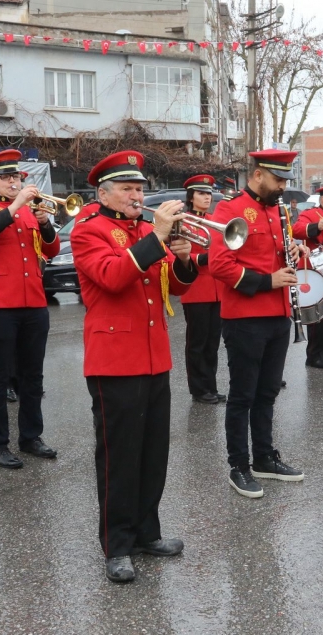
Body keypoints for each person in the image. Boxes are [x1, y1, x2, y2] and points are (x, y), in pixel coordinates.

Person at [71, 150, 196, 583]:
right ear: (103, 193)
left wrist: (182, 257)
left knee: (152, 453)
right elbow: (111, 276)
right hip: (114, 358)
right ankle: (116, 545)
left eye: (140, 188)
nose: (136, 195)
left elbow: (174, 287)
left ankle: (146, 532)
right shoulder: (89, 231)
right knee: (119, 457)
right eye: (127, 188)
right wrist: (157, 238)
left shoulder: (146, 231)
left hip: (153, 354)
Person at [210, 149, 306, 499]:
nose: (282, 187)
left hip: (278, 317)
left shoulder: (277, 211)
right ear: (258, 175)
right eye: (278, 179)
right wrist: (268, 281)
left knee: (267, 393)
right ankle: (239, 465)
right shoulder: (229, 210)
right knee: (243, 396)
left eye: (285, 180)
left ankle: (264, 456)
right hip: (246, 318)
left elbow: (277, 255)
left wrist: (294, 249)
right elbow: (220, 265)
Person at [0, 150, 60, 467]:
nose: (13, 182)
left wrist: (45, 223)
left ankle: (31, 436)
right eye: (6, 177)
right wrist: (17, 206)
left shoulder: (33, 211)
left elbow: (52, 248)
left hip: (34, 301)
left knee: (33, 376)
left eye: (17, 177)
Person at [179, 174, 226, 404]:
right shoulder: (183, 220)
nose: (207, 198)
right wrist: (202, 259)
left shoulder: (213, 220)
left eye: (208, 194)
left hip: (216, 288)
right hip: (196, 288)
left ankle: (211, 386)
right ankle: (198, 389)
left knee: (212, 342)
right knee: (197, 342)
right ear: (191, 197)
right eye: (201, 193)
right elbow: (179, 252)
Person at [292, 183, 323, 369]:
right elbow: (296, 230)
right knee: (318, 316)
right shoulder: (311, 214)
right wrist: (315, 226)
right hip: (315, 271)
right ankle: (314, 355)